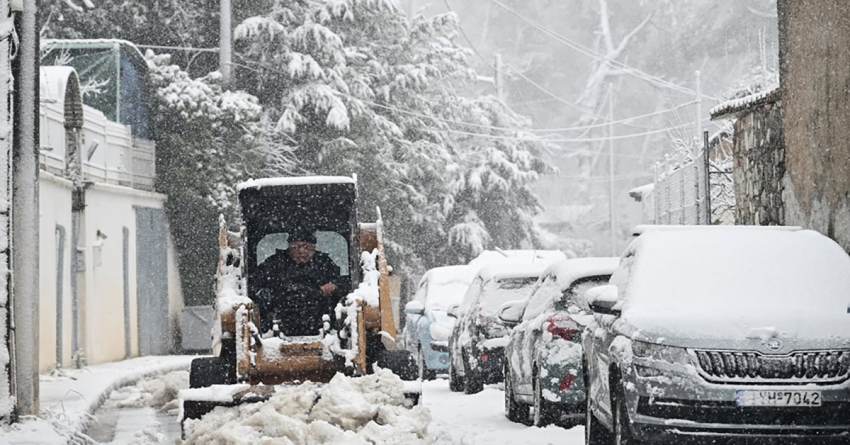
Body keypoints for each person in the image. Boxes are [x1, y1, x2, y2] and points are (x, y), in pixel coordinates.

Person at [255, 228, 343, 334]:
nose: (301, 251)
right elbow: (254, 284)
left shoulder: (325, 263)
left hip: (321, 322)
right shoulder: (273, 264)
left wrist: (334, 287)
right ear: (289, 247)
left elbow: (342, 284)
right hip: (277, 322)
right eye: (296, 247)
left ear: (314, 248)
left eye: (306, 247)